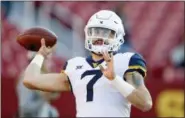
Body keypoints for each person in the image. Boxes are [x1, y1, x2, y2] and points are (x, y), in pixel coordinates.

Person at [23, 10, 152, 117]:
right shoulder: (75, 66)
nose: (98, 37)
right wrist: (40, 55)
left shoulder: (126, 60)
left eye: (105, 32)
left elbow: (145, 103)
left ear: (118, 36)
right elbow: (30, 80)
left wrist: (114, 79)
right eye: (95, 31)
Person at [16, 51, 59, 117]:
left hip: (39, 112)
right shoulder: (26, 78)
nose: (48, 64)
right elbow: (25, 107)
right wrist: (44, 98)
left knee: (53, 112)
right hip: (28, 115)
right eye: (45, 60)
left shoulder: (39, 76)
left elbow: (55, 94)